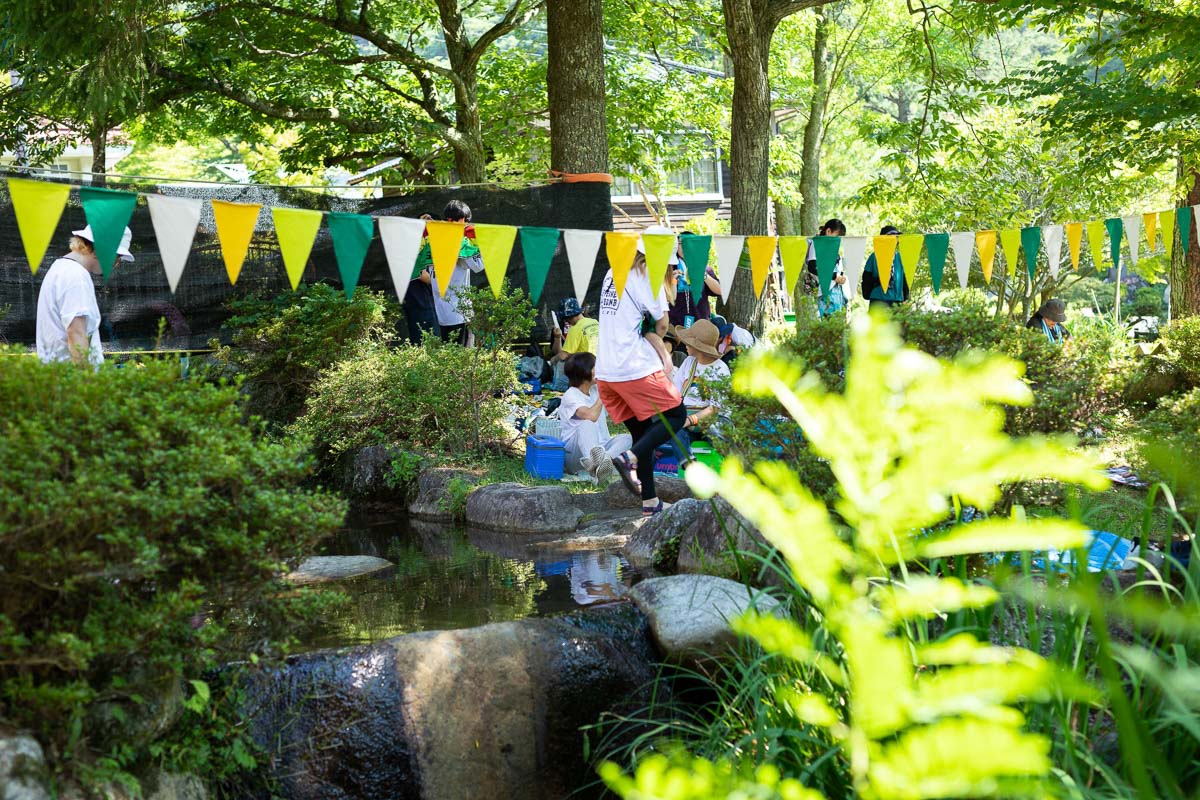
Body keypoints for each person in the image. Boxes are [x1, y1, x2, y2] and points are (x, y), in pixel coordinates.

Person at [596, 244, 688, 517]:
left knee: (642, 432)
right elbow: (662, 324)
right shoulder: (649, 275)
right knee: (677, 415)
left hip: (606, 372)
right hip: (633, 367)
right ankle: (629, 458)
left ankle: (650, 502)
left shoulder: (613, 271)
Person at [36, 225, 133, 367]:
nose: (117, 264)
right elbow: (76, 333)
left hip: (58, 374)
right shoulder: (76, 277)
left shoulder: (61, 268)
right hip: (70, 378)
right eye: (117, 256)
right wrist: (85, 377)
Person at [557, 352, 633, 482]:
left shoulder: (595, 390)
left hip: (601, 447)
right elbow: (591, 416)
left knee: (628, 438)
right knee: (587, 423)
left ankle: (604, 461)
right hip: (576, 457)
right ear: (584, 371)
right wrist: (603, 394)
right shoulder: (571, 395)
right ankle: (594, 466)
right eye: (595, 367)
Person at [669, 319, 731, 466]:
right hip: (687, 414)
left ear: (698, 347)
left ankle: (730, 465)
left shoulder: (720, 369)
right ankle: (689, 464)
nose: (685, 344)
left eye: (689, 342)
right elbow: (675, 393)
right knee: (671, 428)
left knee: (715, 431)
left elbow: (714, 408)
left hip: (712, 418)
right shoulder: (688, 362)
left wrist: (690, 420)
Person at [431, 200, 484, 345]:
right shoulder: (457, 241)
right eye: (464, 220)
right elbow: (478, 265)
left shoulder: (435, 239)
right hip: (454, 313)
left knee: (451, 354)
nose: (466, 224)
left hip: (449, 312)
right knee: (461, 355)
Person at [668, 231, 721, 329]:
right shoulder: (670, 267)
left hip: (701, 322)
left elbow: (719, 291)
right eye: (681, 243)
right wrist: (673, 281)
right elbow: (669, 298)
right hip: (676, 323)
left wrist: (704, 275)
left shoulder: (703, 267)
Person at [548, 296, 599, 390]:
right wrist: (558, 337)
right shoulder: (594, 322)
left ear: (567, 316)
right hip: (598, 366)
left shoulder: (575, 329)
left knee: (561, 364)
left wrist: (552, 360)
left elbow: (563, 355)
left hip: (584, 369)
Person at [403, 213, 440, 344]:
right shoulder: (412, 245)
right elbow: (422, 274)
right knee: (427, 336)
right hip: (418, 298)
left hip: (421, 297)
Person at [805, 218, 849, 317]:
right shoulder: (818, 243)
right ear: (828, 231)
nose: (838, 240)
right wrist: (834, 276)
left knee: (839, 323)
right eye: (837, 236)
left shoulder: (832, 247)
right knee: (829, 323)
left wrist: (841, 277)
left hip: (838, 291)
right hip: (826, 291)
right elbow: (812, 267)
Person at [860, 225, 909, 310]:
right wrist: (880, 279)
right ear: (883, 239)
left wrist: (905, 298)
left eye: (896, 237)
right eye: (891, 236)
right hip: (878, 300)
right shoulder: (875, 256)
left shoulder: (900, 257)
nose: (894, 239)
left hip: (897, 301)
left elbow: (905, 279)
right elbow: (866, 278)